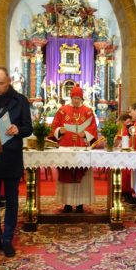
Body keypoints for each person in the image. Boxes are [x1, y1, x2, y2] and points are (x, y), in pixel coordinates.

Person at [0, 66, 33, 258]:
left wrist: (18, 129)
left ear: (8, 81)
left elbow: (28, 128)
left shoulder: (20, 101)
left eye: (0, 83)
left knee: (11, 201)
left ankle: (7, 238)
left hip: (11, 158)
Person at [51, 84, 98, 213]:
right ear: (71, 97)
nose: (76, 100)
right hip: (66, 147)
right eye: (74, 98)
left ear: (82, 98)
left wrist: (86, 133)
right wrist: (60, 130)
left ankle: (80, 204)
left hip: (82, 147)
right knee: (66, 173)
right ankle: (67, 203)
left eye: (78, 98)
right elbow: (54, 126)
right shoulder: (62, 111)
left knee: (82, 176)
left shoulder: (88, 112)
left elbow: (93, 128)